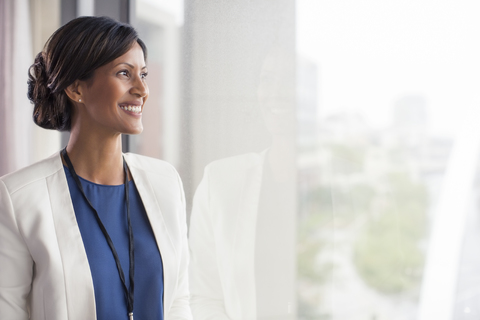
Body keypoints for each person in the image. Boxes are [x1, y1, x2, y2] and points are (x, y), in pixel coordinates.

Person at [0, 16, 191, 320]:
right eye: (124, 73)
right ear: (77, 89)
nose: (142, 89)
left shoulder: (165, 182)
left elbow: (179, 298)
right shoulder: (19, 198)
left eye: (143, 74)